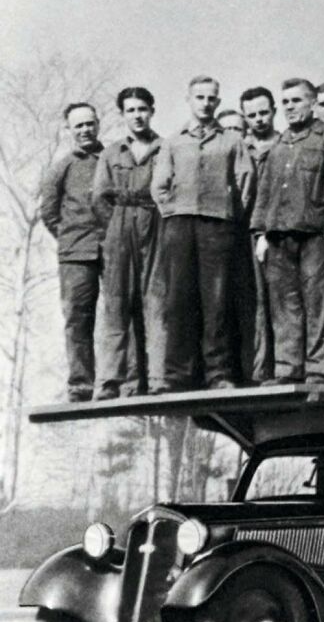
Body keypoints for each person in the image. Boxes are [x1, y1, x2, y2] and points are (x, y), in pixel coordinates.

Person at [250, 78, 324, 384]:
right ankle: (288, 369)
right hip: (278, 237)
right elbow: (264, 192)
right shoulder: (280, 144)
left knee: (318, 305)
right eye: (284, 102)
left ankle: (317, 370)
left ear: (312, 103)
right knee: (284, 307)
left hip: (316, 237)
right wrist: (260, 234)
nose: (289, 107)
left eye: (296, 101)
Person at [151, 75, 254, 391]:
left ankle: (218, 374)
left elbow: (245, 182)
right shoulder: (173, 142)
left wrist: (230, 217)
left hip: (217, 225)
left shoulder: (231, 142)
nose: (205, 103)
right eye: (200, 97)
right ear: (189, 99)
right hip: (179, 227)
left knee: (217, 301)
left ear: (218, 102)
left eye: (211, 98)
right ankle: (178, 375)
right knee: (179, 300)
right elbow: (159, 185)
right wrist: (173, 210)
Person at [92, 86, 166, 399]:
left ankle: (159, 378)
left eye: (142, 109)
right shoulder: (111, 153)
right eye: (131, 110)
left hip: (155, 223)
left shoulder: (166, 148)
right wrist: (114, 230)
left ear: (152, 110)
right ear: (123, 115)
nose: (137, 115)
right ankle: (109, 381)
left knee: (156, 302)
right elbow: (99, 197)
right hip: (120, 226)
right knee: (116, 305)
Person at [41, 102, 104, 402]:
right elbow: (49, 214)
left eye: (89, 123)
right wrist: (70, 238)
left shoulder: (112, 159)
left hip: (112, 249)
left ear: (98, 124)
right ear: (69, 130)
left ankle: (127, 380)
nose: (85, 130)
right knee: (77, 318)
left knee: (122, 314)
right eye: (78, 126)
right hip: (75, 255)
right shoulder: (61, 167)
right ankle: (81, 383)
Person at [240, 86, 281, 383]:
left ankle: (280, 366)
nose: (258, 119)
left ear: (274, 112)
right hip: (244, 232)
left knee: (279, 299)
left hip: (278, 231)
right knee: (251, 301)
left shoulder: (284, 145)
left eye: (263, 112)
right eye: (252, 114)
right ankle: (256, 368)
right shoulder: (239, 148)